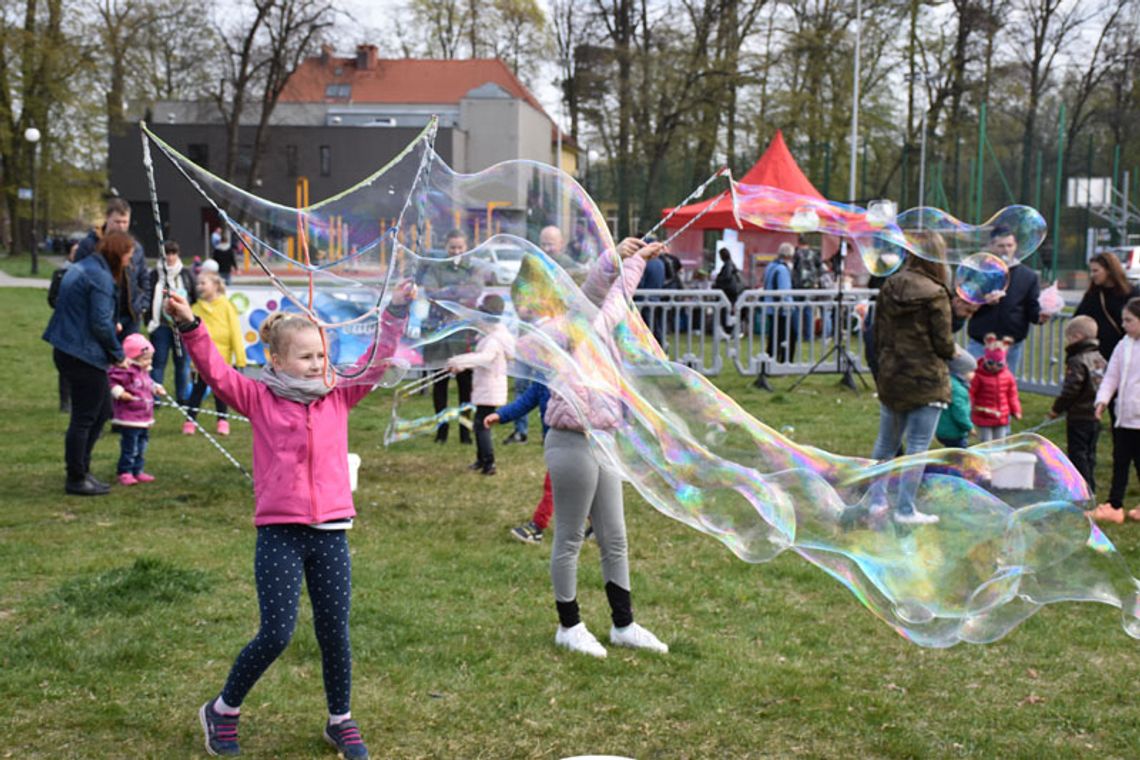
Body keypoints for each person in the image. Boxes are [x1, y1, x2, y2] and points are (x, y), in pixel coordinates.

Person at [167, 279, 413, 759]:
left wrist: (398, 311)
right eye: (306, 358)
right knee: (276, 633)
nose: (318, 365)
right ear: (276, 362)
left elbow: (377, 360)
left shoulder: (339, 394)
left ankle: (340, 719)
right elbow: (216, 372)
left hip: (331, 533)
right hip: (280, 533)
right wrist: (191, 326)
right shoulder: (259, 397)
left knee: (334, 631)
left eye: (321, 356)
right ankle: (222, 710)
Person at [523, 237, 669, 657]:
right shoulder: (559, 331)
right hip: (570, 440)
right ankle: (568, 626)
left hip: (603, 438)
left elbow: (596, 295)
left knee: (614, 536)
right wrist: (636, 263)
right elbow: (609, 306)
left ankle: (623, 624)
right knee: (569, 536)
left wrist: (615, 257)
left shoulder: (580, 318)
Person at [43, 230, 139, 496]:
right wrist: (118, 354)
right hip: (81, 354)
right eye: (128, 256)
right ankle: (76, 477)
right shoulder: (100, 277)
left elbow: (86, 312)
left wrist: (110, 324)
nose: (129, 262)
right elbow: (98, 322)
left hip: (68, 347)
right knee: (85, 417)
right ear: (118, 253)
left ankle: (82, 469)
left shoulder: (84, 266)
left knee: (102, 411)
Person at [870, 230, 956, 525]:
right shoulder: (936, 292)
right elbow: (943, 344)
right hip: (925, 380)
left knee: (885, 443)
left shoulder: (890, 285)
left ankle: (875, 501)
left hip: (893, 375)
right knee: (918, 445)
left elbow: (878, 332)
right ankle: (905, 510)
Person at [417, 229, 484, 445]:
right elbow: (431, 292)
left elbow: (474, 290)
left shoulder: (473, 268)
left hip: (463, 333)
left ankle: (465, 431)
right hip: (440, 333)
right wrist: (456, 294)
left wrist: (448, 291)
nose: (456, 251)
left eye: (460, 247)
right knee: (440, 382)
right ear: (446, 247)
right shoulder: (436, 267)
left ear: (466, 248)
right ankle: (441, 430)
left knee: (466, 384)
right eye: (452, 247)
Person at [446, 295, 515, 476]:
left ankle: (489, 463)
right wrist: (460, 362)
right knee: (480, 424)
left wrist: (460, 362)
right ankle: (481, 459)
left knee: (481, 425)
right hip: (487, 386)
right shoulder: (491, 336)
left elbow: (484, 358)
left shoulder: (494, 340)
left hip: (490, 388)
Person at [963, 226, 1046, 377]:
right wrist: (983, 301)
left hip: (1010, 344)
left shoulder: (1028, 276)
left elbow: (1032, 308)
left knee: (1004, 388)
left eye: (1009, 245)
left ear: (1015, 247)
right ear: (991, 246)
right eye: (1000, 246)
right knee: (973, 384)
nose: (1005, 250)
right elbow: (965, 303)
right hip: (981, 341)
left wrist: (1041, 316)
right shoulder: (979, 272)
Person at [485, 379, 553, 543]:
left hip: (578, 444)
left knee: (555, 486)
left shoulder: (581, 379)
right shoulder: (545, 380)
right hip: (555, 444)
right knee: (579, 489)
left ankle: (537, 527)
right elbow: (525, 402)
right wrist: (501, 415)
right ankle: (597, 526)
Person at [1092, 298, 1140, 525]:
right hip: (1123, 418)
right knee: (1120, 461)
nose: (1124, 325)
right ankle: (1115, 505)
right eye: (1123, 320)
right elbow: (1112, 376)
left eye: (1129, 320)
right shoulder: (1124, 345)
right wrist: (1102, 400)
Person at [74, 197, 149, 337]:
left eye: (125, 222)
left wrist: (143, 305)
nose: (121, 226)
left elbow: (144, 278)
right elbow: (77, 279)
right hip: (101, 313)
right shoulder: (89, 245)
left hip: (130, 315)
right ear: (107, 218)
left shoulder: (136, 248)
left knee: (131, 356)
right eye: (117, 222)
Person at [1048, 316, 1106, 495]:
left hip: (1079, 416)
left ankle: (1083, 490)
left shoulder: (1077, 360)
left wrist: (1056, 409)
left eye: (1070, 338)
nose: (1068, 342)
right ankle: (1091, 488)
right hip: (1095, 415)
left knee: (1078, 454)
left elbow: (1071, 389)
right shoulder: (1099, 357)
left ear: (1078, 336)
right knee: (1090, 454)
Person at [187, 270, 246, 435]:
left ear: (215, 285)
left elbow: (235, 332)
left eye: (203, 283)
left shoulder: (227, 306)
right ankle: (190, 421)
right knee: (197, 390)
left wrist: (240, 359)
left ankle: (222, 421)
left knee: (220, 392)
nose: (199, 287)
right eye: (198, 283)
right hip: (200, 360)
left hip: (222, 359)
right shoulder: (195, 308)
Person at [108, 334, 165, 485]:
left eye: (150, 358)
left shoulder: (143, 371)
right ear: (134, 357)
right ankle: (125, 471)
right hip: (130, 417)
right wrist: (120, 393)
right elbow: (112, 382)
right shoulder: (125, 371)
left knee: (142, 445)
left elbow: (147, 383)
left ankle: (137, 470)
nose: (149, 362)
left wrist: (156, 388)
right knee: (130, 446)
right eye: (145, 358)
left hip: (144, 417)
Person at [147, 240, 198, 405]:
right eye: (166, 254)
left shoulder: (186, 274)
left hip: (181, 327)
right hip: (161, 326)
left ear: (177, 255)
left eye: (172, 253)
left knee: (182, 362)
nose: (169, 257)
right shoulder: (155, 275)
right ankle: (155, 396)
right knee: (158, 361)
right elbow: (152, 295)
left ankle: (182, 396)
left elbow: (194, 296)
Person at [1074, 252, 1140, 364]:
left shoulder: (1132, 293)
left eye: (1096, 270)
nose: (1092, 274)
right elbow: (1078, 319)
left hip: (1126, 352)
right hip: (1098, 354)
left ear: (1109, 270)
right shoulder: (1093, 295)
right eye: (1091, 270)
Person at [969, 334, 1022, 441]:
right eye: (990, 363)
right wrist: (969, 407)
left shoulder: (1007, 376)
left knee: (1000, 442)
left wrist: (1016, 410)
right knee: (986, 442)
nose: (994, 367)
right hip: (983, 414)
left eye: (999, 364)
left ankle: (998, 458)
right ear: (985, 360)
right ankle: (986, 458)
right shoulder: (978, 375)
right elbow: (971, 393)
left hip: (1001, 415)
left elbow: (1012, 395)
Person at [762, 243, 797, 364]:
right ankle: (786, 361)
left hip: (770, 307)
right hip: (782, 309)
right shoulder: (782, 269)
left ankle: (770, 359)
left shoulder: (770, 266)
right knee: (790, 336)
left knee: (774, 336)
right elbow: (784, 290)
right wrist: (789, 307)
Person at [935, 350, 976, 449]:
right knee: (961, 456)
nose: (974, 374)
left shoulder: (948, 382)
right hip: (954, 432)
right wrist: (969, 427)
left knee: (950, 453)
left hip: (942, 430)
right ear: (961, 372)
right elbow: (959, 411)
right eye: (971, 371)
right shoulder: (958, 390)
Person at [714, 247, 745, 333]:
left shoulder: (727, 265)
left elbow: (726, 277)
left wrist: (718, 281)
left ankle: (729, 330)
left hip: (728, 293)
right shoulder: (732, 264)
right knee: (731, 311)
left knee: (727, 312)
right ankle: (732, 329)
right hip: (733, 292)